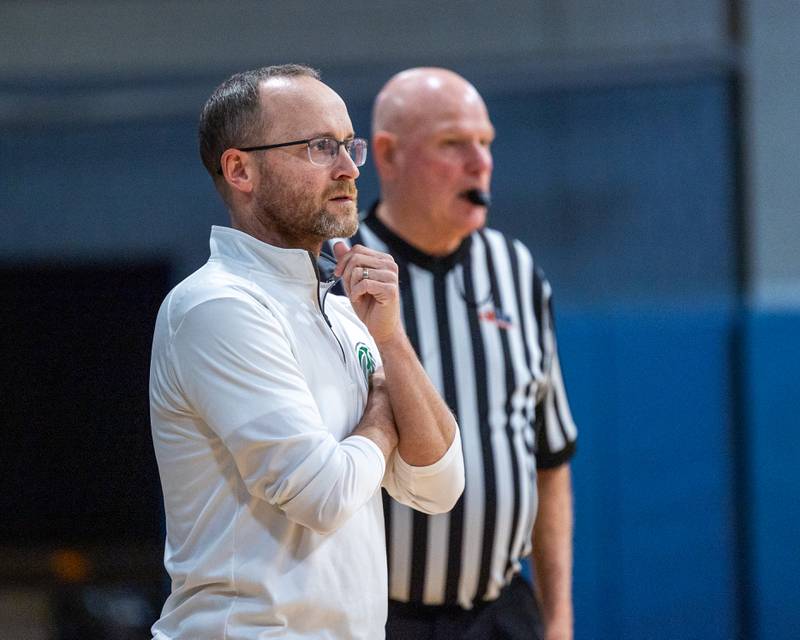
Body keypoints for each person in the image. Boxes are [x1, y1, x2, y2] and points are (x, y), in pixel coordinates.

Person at [148, 64, 464, 640]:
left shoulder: (346, 313)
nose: (348, 169)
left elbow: (439, 486)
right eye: (320, 147)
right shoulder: (216, 307)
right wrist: (381, 412)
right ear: (240, 169)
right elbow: (322, 493)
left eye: (349, 145)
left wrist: (390, 341)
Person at [344, 67, 579, 639]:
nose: (481, 163)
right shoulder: (338, 275)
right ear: (389, 155)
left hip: (503, 613)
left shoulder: (517, 270)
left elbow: (550, 463)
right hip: (379, 619)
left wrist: (559, 619)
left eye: (486, 143)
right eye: (454, 143)